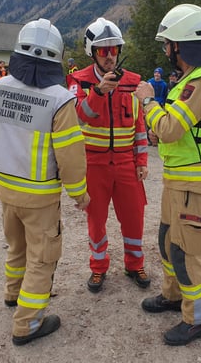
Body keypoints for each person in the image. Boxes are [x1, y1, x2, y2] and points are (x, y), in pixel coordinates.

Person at [0, 18, 90, 346]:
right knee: (42, 259)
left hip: (6, 190)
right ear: (57, 57)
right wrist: (79, 194)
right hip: (40, 198)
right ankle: (27, 323)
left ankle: (13, 295)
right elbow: (70, 155)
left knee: (17, 247)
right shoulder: (60, 99)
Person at [134, 4, 201, 346]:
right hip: (179, 178)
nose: (166, 50)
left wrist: (148, 103)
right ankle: (173, 295)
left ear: (180, 44)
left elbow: (171, 128)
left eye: (168, 44)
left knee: (184, 251)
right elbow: (180, 130)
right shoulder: (195, 79)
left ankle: (197, 320)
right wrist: (159, 129)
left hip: (192, 182)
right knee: (167, 240)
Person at [66, 17, 150, 293]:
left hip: (126, 164)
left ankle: (134, 264)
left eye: (114, 49)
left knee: (134, 218)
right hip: (94, 165)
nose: (110, 56)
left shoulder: (133, 82)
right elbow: (79, 117)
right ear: (92, 52)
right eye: (103, 50)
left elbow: (139, 126)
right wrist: (99, 92)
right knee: (96, 220)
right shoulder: (78, 81)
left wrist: (141, 161)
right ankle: (98, 267)